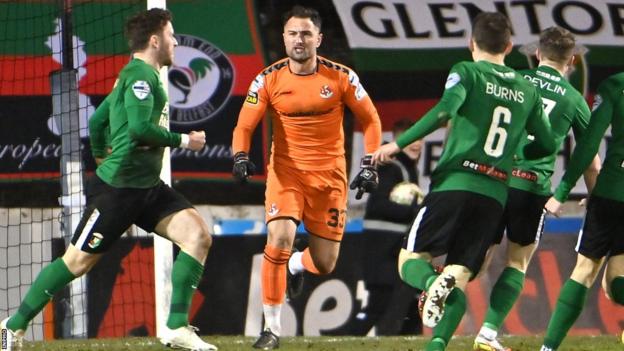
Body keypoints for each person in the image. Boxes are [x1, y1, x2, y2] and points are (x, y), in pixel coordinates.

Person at [0, 8, 217, 351]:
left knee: (198, 236)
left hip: (148, 188)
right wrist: (185, 140)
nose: (176, 42)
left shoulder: (132, 75)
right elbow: (139, 129)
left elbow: (98, 121)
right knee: (76, 262)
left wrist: (101, 153)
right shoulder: (141, 79)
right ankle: (11, 327)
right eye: (172, 35)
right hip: (118, 193)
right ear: (156, 40)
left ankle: (176, 327)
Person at [372, 12, 557, 351]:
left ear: (471, 43)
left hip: (454, 184)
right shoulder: (527, 89)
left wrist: (395, 144)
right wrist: (516, 147)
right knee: (459, 274)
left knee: (410, 262)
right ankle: (437, 343)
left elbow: (444, 111)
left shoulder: (466, 72)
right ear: (510, 46)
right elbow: (547, 144)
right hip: (494, 194)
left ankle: (430, 282)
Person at [231, 5, 382, 350]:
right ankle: (271, 329)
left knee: (326, 263)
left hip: (329, 179)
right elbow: (244, 124)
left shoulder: (341, 77)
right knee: (279, 237)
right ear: (283, 37)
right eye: (293, 33)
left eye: (306, 33)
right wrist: (240, 155)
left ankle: (298, 264)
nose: (299, 40)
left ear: (319, 38)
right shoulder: (267, 79)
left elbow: (371, 120)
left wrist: (370, 163)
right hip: (286, 174)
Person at [473, 26, 601, 351]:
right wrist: (598, 198)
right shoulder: (573, 99)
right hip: (531, 187)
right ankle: (487, 331)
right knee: (517, 263)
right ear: (571, 61)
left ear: (537, 55)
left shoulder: (513, 80)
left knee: (475, 258)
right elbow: (590, 160)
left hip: (492, 181)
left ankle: (440, 284)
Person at [539, 72, 624, 351]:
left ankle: (548, 348)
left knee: (585, 271)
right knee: (615, 284)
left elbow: (589, 143)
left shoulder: (615, 85)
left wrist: (563, 191)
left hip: (611, 192)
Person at [352, 119, 424, 336]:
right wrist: (415, 209)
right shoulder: (389, 166)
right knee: (379, 303)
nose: (417, 144)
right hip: (382, 248)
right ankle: (345, 337)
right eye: (410, 139)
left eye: (419, 138)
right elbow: (378, 204)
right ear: (396, 141)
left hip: (397, 248)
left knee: (410, 303)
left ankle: (409, 342)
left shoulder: (408, 169)